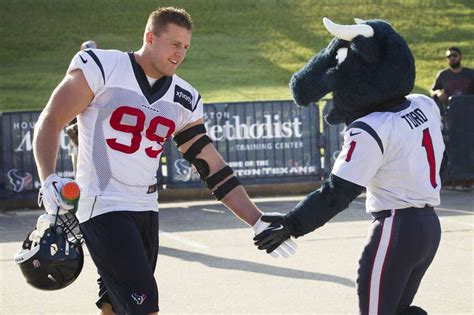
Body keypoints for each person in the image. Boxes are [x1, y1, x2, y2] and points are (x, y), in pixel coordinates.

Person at [32, 7, 295, 315]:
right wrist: (48, 177)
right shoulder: (104, 67)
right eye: (174, 44)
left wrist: (256, 218)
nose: (180, 53)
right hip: (103, 204)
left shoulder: (184, 97)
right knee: (145, 306)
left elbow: (211, 165)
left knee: (113, 305)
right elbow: (51, 120)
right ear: (150, 38)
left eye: (185, 47)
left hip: (146, 208)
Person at [254, 18, 444, 314]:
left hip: (395, 227)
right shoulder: (423, 104)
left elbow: (337, 193)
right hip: (430, 227)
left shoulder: (370, 129)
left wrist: (293, 223)